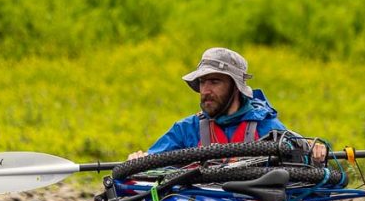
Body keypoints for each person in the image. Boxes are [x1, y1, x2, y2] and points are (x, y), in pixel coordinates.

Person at [128, 47, 326, 162]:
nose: (205, 90)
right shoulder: (187, 129)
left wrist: (317, 152)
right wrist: (139, 161)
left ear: (235, 87)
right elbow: (153, 163)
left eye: (214, 82)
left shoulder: (267, 127)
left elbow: (307, 161)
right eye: (203, 82)